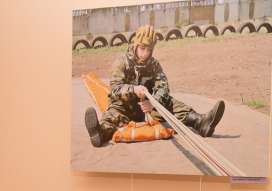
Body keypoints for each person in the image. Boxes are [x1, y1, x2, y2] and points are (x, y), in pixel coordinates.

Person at [85, 25, 225, 147]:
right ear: (136, 45)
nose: (145, 53)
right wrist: (133, 90)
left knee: (172, 103)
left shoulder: (154, 64)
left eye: (149, 49)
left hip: (148, 107)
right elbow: (115, 89)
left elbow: (163, 87)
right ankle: (99, 132)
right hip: (124, 107)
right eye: (142, 48)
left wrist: (153, 103)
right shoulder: (121, 62)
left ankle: (201, 122)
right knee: (111, 117)